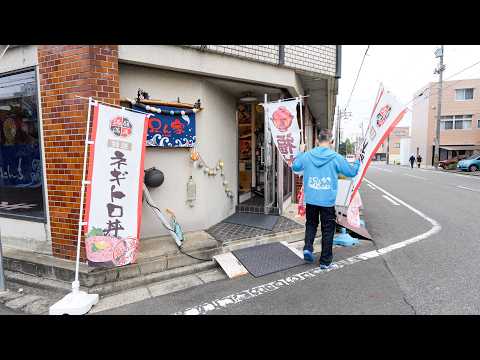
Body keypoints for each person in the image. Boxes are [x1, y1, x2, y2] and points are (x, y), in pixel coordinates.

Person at [292, 128, 360, 270]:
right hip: (327, 201)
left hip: (311, 199)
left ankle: (308, 248)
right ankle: (325, 261)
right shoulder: (336, 157)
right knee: (328, 229)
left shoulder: (307, 155)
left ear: (317, 140)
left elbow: (295, 166)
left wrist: (301, 151)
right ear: (332, 142)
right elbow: (352, 172)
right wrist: (359, 160)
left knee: (311, 224)